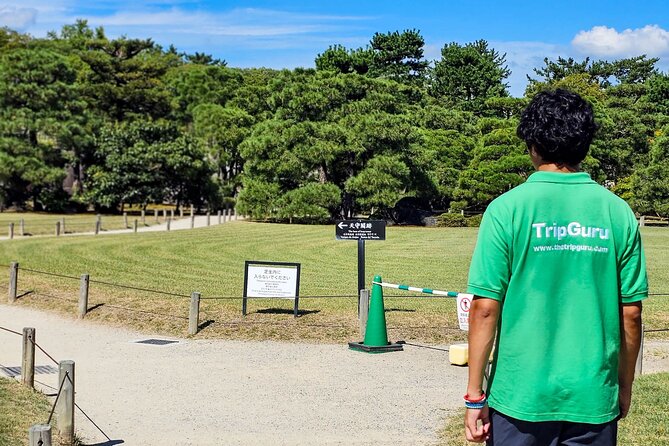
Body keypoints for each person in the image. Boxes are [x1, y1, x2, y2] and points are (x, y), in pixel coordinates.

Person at [463, 89, 648, 445]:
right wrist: (624, 386)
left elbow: (485, 309)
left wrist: (475, 396)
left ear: (532, 143)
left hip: (521, 394)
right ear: (585, 143)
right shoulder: (618, 212)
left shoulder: (506, 210)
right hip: (593, 393)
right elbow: (631, 314)